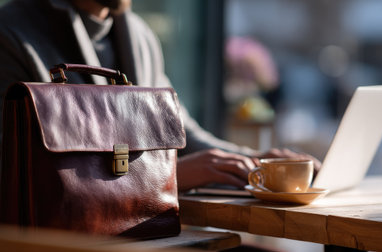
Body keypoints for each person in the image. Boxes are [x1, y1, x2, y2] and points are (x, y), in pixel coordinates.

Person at [0, 0, 321, 192]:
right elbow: (16, 173)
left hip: (140, 229)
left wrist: (261, 163)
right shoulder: (11, 35)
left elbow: (184, 135)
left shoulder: (139, 36)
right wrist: (168, 177)